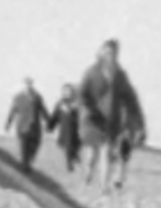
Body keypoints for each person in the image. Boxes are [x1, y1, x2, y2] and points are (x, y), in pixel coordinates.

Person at [78, 39, 145, 193]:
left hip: (111, 120)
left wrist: (139, 121)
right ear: (101, 53)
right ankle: (88, 171)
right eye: (107, 52)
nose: (110, 55)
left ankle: (103, 185)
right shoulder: (91, 72)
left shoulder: (120, 75)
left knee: (106, 151)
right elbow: (82, 93)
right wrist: (89, 109)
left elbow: (131, 98)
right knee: (91, 152)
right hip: (92, 119)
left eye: (113, 53)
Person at [3, 77, 50, 172]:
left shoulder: (37, 96)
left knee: (36, 144)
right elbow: (12, 111)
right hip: (22, 126)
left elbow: (43, 110)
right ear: (23, 85)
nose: (28, 86)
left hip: (35, 127)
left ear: (32, 84)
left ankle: (28, 161)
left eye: (30, 84)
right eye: (26, 84)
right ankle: (25, 166)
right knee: (24, 147)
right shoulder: (18, 97)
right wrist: (8, 123)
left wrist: (50, 122)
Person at [48, 83, 81, 172]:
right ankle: (69, 165)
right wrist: (50, 126)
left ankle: (75, 156)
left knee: (76, 145)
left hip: (76, 129)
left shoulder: (77, 103)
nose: (67, 93)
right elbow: (55, 116)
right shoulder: (60, 104)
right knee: (68, 146)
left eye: (69, 91)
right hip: (65, 130)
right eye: (65, 91)